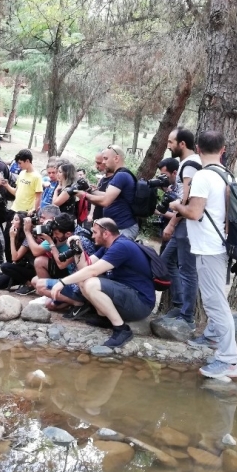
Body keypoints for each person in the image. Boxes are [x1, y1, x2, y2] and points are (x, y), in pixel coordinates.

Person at [170, 131, 237, 379]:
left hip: (208, 248)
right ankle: (212, 338)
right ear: (222, 149)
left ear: (197, 148)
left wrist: (176, 205)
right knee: (216, 298)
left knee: (215, 303)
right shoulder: (227, 175)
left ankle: (229, 360)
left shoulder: (203, 176)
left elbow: (195, 212)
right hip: (220, 245)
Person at [50, 217, 155, 348]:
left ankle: (121, 329)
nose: (92, 236)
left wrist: (62, 282)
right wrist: (78, 248)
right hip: (126, 295)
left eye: (94, 232)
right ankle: (105, 318)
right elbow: (85, 267)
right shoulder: (108, 246)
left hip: (140, 303)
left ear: (106, 233)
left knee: (91, 284)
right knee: (84, 280)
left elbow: (93, 271)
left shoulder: (122, 246)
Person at [159, 128, 202, 329]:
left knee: (188, 271)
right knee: (166, 262)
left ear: (182, 144)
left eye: (170, 141)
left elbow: (187, 199)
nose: (168, 145)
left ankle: (187, 316)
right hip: (182, 224)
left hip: (186, 224)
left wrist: (171, 222)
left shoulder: (191, 164)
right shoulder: (187, 163)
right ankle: (178, 304)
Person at [79, 145, 138, 239]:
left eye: (106, 158)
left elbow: (105, 201)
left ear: (116, 158)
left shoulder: (121, 175)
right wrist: (89, 190)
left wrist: (84, 195)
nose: (103, 162)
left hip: (124, 228)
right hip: (117, 228)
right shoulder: (119, 175)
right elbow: (106, 195)